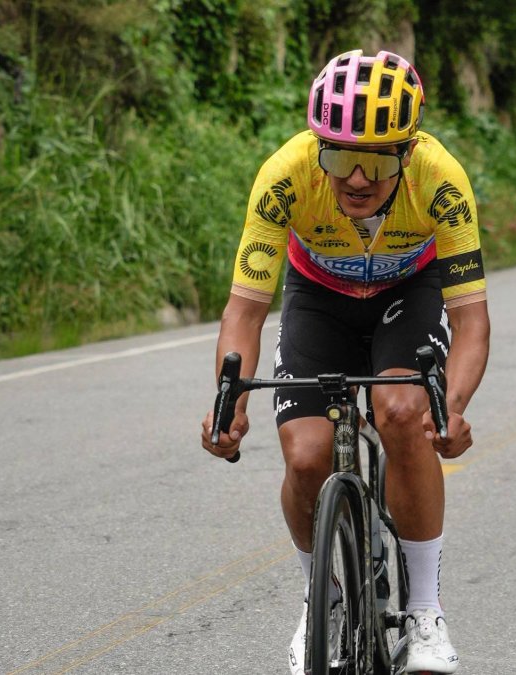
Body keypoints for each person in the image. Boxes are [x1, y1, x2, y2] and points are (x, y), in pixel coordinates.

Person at [201, 48, 489, 674]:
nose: (355, 178)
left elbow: (471, 319)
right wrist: (230, 403)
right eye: (339, 157)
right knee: (305, 454)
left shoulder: (441, 179)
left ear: (407, 152)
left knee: (402, 410)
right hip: (318, 300)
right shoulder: (285, 175)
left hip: (407, 296)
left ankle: (424, 612)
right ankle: (322, 599)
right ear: (317, 145)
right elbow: (244, 311)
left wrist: (454, 410)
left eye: (377, 160)